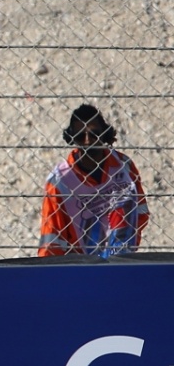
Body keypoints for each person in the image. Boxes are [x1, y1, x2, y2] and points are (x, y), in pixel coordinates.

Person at [39, 103, 149, 257]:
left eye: (94, 134)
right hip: (79, 263)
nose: (87, 141)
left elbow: (140, 212)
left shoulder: (123, 166)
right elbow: (52, 239)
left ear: (103, 134)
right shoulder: (59, 181)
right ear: (72, 138)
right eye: (80, 136)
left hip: (121, 260)